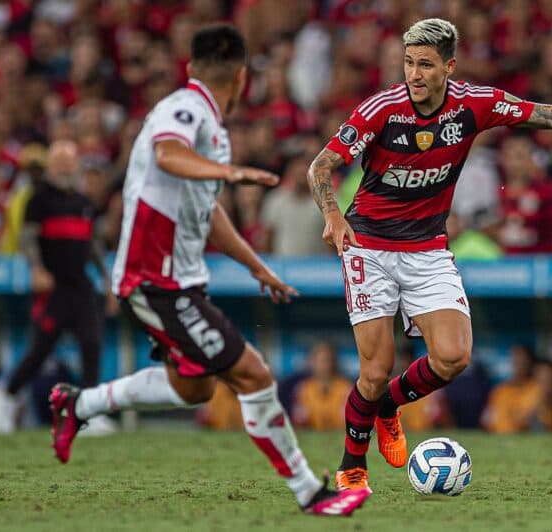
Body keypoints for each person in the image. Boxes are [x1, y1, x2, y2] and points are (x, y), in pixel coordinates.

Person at [306, 18, 552, 491]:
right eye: (408, 63)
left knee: (453, 357)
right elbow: (320, 165)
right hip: (369, 245)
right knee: (374, 370)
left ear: (449, 66)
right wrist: (333, 213)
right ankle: (353, 464)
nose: (414, 74)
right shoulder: (382, 110)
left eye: (425, 64)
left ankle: (389, 405)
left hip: (427, 246)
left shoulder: (475, 104)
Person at [45, 25, 368, 516]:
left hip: (178, 281)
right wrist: (229, 173)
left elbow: (210, 212)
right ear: (241, 77)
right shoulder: (185, 109)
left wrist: (257, 266)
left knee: (193, 388)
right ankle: (310, 493)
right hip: (154, 278)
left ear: (193, 65)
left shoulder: (212, 132)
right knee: (253, 374)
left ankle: (78, 405)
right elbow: (167, 154)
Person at [0, 140, 118, 435]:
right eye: (59, 161)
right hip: (53, 287)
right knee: (40, 350)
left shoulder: (83, 202)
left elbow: (93, 245)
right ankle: (5, 397)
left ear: (76, 165)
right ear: (51, 165)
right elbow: (28, 238)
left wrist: (107, 282)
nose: (64, 166)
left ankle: (88, 411)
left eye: (69, 161)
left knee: (91, 344)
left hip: (81, 286)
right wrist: (36, 269)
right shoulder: (39, 199)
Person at [291, 341, 353, 430]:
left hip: (339, 434)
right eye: (321, 361)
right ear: (312, 362)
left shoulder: (346, 388)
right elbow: (298, 422)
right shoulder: (303, 389)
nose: (325, 365)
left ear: (334, 362)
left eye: (328, 360)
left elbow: (350, 422)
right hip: (312, 435)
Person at [481, 344, 537, 434]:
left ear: (530, 363)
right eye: (515, 361)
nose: (518, 365)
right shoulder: (499, 391)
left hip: (524, 438)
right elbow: (486, 420)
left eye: (522, 361)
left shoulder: (537, 390)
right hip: (497, 437)